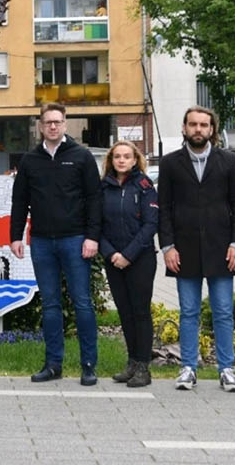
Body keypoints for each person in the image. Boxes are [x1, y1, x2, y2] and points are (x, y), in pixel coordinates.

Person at [10, 103, 101, 386]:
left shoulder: (82, 157)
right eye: (47, 122)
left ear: (65, 124)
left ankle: (88, 365)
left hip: (75, 240)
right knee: (50, 305)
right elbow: (19, 201)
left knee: (82, 303)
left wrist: (92, 237)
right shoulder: (29, 161)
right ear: (40, 126)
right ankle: (53, 365)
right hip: (41, 241)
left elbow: (95, 200)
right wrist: (15, 235)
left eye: (57, 122)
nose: (52, 126)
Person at [158, 106, 235, 392]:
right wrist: (168, 246)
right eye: (193, 124)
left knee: (222, 312)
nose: (198, 129)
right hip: (183, 250)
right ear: (184, 128)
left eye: (203, 125)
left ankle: (227, 369)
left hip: (222, 250)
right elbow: (165, 210)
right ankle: (188, 369)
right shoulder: (170, 163)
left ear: (212, 129)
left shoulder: (228, 161)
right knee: (188, 312)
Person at [99, 141, 158, 388]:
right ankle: (132, 362)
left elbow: (151, 224)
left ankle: (144, 367)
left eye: (127, 156)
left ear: (135, 160)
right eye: (117, 157)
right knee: (125, 312)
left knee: (140, 312)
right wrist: (112, 254)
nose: (122, 161)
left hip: (140, 258)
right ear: (111, 160)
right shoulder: (103, 188)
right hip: (114, 260)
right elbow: (95, 225)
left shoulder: (145, 187)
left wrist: (128, 255)